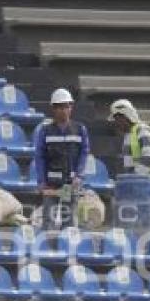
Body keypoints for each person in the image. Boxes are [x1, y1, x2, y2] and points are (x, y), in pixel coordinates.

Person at [34, 88, 90, 230]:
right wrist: (41, 181)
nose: (64, 110)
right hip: (51, 185)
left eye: (67, 106)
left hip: (68, 184)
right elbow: (40, 157)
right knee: (49, 221)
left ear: (71, 107)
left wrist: (79, 175)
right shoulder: (45, 131)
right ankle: (47, 249)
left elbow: (84, 153)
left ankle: (67, 249)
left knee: (69, 220)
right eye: (60, 107)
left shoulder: (80, 129)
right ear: (54, 108)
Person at [109, 98, 150, 175]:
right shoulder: (129, 135)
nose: (116, 123)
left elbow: (149, 156)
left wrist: (135, 177)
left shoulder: (142, 130)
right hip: (140, 182)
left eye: (117, 119)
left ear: (125, 117)